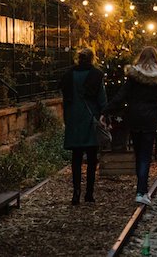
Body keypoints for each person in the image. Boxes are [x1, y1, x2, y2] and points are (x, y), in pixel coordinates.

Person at [105, 46, 157, 206]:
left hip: (134, 117)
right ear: (156, 58)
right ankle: (141, 191)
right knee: (145, 155)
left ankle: (141, 188)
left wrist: (105, 111)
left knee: (138, 154)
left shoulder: (133, 76)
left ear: (141, 58)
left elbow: (121, 96)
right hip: (150, 118)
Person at [60, 48, 107, 205]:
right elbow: (101, 98)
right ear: (92, 58)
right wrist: (104, 116)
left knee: (76, 158)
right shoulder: (96, 75)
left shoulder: (68, 75)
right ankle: (89, 193)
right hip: (90, 117)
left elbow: (65, 98)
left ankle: (76, 193)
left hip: (74, 117)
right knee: (92, 159)